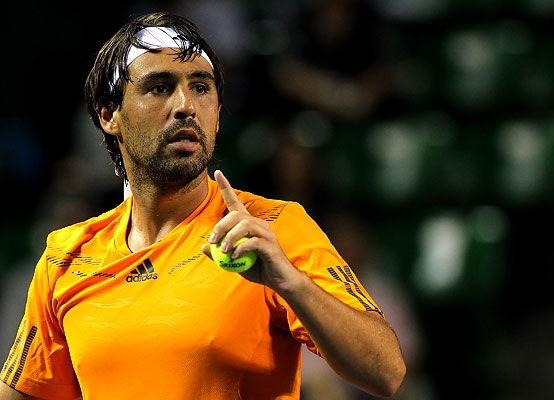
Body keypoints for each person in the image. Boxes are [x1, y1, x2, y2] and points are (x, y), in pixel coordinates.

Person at [0, 11, 406, 400]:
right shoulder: (67, 257)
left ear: (217, 115)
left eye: (200, 87)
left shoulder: (271, 228)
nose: (186, 105)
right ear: (109, 115)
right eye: (160, 87)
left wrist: (291, 283)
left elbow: (387, 372)